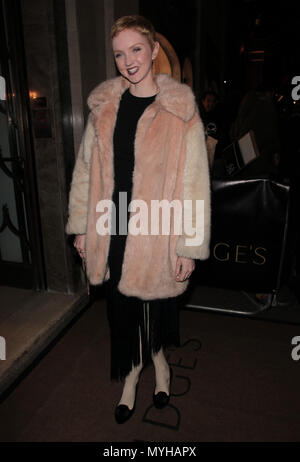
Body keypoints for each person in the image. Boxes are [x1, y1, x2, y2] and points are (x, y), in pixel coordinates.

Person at [65, 15, 211, 424]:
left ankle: (159, 364)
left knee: (154, 309)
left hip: (157, 226)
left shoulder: (180, 109)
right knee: (122, 310)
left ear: (153, 51)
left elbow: (194, 183)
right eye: (118, 53)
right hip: (113, 224)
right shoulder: (103, 107)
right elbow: (85, 171)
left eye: (135, 49)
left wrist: (189, 246)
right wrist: (81, 225)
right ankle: (132, 376)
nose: (127, 60)